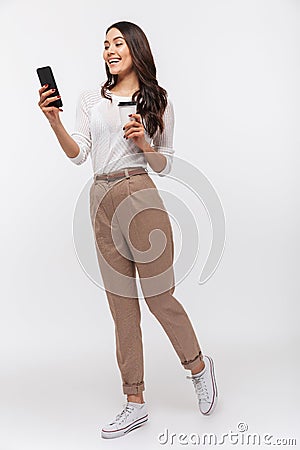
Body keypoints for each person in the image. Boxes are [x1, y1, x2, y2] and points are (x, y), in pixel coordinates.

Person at [38, 20, 218, 440]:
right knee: (121, 307)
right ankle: (133, 401)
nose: (110, 50)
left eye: (118, 42)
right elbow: (79, 155)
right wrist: (54, 122)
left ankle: (198, 366)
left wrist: (143, 144)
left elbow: (165, 164)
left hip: (140, 194)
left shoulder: (157, 101)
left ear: (136, 48)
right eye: (105, 45)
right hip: (99, 198)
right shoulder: (90, 99)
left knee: (159, 298)